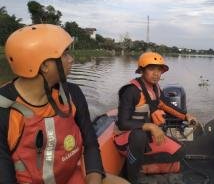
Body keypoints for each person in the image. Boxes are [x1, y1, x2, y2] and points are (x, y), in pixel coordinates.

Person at [0, 24, 128, 184]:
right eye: (65, 54)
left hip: (73, 176)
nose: (71, 59)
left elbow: (90, 142)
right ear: (44, 66)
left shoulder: (72, 93)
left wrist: (94, 177)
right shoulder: (5, 111)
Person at [114, 51, 197, 183]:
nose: (156, 73)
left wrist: (186, 116)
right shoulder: (131, 91)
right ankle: (132, 178)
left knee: (180, 151)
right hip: (126, 140)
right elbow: (123, 123)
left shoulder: (156, 88)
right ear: (142, 70)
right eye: (151, 69)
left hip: (147, 138)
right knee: (139, 136)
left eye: (159, 70)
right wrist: (150, 126)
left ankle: (140, 164)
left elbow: (167, 106)